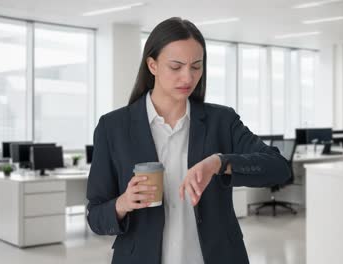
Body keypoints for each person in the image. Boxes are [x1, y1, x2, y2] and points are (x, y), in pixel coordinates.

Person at [86, 17, 291, 264]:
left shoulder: (221, 121)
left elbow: (279, 168)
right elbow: (96, 216)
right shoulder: (113, 127)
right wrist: (123, 203)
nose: (188, 77)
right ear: (152, 65)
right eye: (176, 66)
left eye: (196, 66)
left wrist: (220, 163)